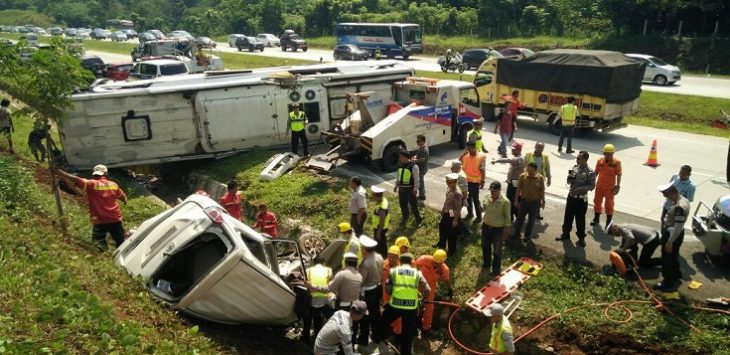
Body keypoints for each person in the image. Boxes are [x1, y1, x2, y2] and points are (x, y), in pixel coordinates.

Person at [56, 164, 127, 250]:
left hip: (100, 220)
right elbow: (122, 196)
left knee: (98, 242)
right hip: (115, 218)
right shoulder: (114, 185)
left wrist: (61, 173)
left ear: (94, 174)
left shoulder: (92, 184)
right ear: (106, 174)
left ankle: (104, 258)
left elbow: (77, 179)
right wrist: (124, 201)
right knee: (121, 241)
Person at [380, 253, 431, 355]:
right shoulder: (417, 273)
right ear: (411, 262)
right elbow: (428, 290)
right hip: (411, 308)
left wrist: (394, 292)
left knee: (383, 321)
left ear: (400, 261)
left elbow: (388, 290)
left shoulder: (394, 272)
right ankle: (406, 352)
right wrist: (422, 300)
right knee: (408, 334)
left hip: (396, 305)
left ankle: (379, 340)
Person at [655, 182, 690, 292]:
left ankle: (667, 281)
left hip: (672, 234)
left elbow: (678, 226)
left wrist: (670, 241)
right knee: (673, 255)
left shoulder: (680, 207)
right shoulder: (683, 200)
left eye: (666, 195)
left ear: (672, 193)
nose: (666, 198)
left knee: (667, 258)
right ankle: (676, 274)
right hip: (675, 233)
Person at [556, 151, 596, 247]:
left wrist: (580, 189)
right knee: (568, 216)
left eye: (579, 158)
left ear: (585, 159)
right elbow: (570, 180)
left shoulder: (590, 172)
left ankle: (581, 238)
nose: (577, 159)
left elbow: (592, 186)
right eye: (577, 158)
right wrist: (569, 180)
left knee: (580, 219)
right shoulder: (575, 167)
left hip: (581, 200)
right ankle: (565, 234)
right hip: (571, 197)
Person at [353, 235, 384, 348]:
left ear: (365, 248)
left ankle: (363, 339)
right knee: (375, 314)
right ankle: (377, 336)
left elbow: (361, 280)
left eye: (362, 247)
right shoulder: (379, 257)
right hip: (377, 288)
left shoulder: (365, 263)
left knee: (365, 316)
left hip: (368, 292)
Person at [414, 249, 452, 336]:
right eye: (434, 262)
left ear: (442, 262)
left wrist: (450, 289)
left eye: (438, 263)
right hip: (418, 283)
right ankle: (413, 324)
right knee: (413, 304)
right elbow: (415, 265)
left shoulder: (444, 270)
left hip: (431, 287)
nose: (435, 264)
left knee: (429, 307)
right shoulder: (425, 259)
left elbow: (446, 280)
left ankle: (426, 328)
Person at [482, 181, 511, 275]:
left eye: (494, 191)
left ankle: (496, 269)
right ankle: (486, 264)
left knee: (497, 250)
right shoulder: (487, 197)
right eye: (491, 190)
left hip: (497, 230)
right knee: (485, 246)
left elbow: (507, 218)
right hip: (486, 227)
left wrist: (506, 232)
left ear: (499, 190)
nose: (492, 192)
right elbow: (484, 207)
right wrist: (481, 209)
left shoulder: (505, 202)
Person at [304, 257, 334, 344]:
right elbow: (330, 282)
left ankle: (309, 336)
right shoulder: (328, 270)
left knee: (312, 316)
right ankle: (320, 335)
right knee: (325, 316)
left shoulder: (308, 270)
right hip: (325, 297)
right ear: (324, 263)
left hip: (313, 297)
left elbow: (307, 283)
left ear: (314, 263)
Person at [491, 142, 525, 221]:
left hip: (516, 185)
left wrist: (496, 160)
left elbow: (508, 160)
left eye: (514, 149)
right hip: (511, 183)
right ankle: (510, 217)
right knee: (510, 201)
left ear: (519, 150)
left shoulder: (519, 159)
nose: (512, 151)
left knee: (515, 201)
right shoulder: (516, 157)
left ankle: (518, 219)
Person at [591, 144, 622, 229]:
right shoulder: (599, 161)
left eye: (610, 154)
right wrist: (592, 182)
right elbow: (596, 172)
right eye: (607, 154)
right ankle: (596, 218)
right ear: (604, 153)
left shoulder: (617, 163)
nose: (608, 156)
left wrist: (618, 186)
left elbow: (619, 174)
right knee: (597, 202)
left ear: (613, 153)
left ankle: (609, 221)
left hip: (610, 188)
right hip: (599, 186)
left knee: (609, 205)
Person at [513, 162, 545, 241]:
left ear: (536, 170)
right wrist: (516, 200)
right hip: (524, 201)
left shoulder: (540, 178)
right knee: (520, 218)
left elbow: (542, 191)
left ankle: (527, 236)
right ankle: (516, 234)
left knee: (531, 220)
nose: (529, 172)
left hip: (535, 203)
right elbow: (518, 189)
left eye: (531, 171)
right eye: (528, 170)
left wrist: (543, 201)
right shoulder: (522, 176)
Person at [394, 149, 422, 227]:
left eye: (401, 157)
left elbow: (417, 179)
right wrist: (396, 186)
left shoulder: (414, 166)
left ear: (406, 157)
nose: (399, 158)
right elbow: (398, 177)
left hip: (410, 190)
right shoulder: (400, 165)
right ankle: (405, 218)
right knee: (403, 205)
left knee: (413, 205)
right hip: (401, 190)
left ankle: (418, 220)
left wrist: (415, 189)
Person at [436, 173, 463, 255]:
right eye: (447, 182)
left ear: (455, 182)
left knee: (452, 234)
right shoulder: (449, 189)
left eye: (450, 182)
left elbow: (458, 208)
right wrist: (443, 210)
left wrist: (455, 220)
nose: (448, 183)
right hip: (446, 214)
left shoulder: (457, 194)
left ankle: (451, 250)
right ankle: (441, 244)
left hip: (453, 216)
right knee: (442, 228)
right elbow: (447, 201)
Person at [460, 141, 487, 221]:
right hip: (466, 181)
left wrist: (483, 181)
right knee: (467, 198)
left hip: (475, 182)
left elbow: (482, 169)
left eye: (469, 149)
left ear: (474, 148)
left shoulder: (481, 156)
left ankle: (479, 217)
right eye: (467, 148)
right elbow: (458, 162)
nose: (468, 150)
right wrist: (463, 154)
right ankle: (470, 214)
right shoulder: (466, 155)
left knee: (475, 199)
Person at [524, 142, 551, 220]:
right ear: (535, 147)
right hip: (528, 179)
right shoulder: (528, 155)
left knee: (538, 197)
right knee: (527, 195)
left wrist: (549, 178)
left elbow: (547, 168)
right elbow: (524, 165)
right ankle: (525, 211)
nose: (540, 149)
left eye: (541, 148)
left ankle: (536, 213)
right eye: (538, 147)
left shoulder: (545, 157)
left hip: (539, 180)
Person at [381, 245, 402, 335]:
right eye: (389, 256)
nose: (390, 259)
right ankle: (390, 329)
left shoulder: (400, 269)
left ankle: (397, 333)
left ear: (397, 258)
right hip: (385, 295)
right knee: (387, 315)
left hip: (395, 297)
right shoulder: (384, 264)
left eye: (393, 257)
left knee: (397, 318)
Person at [371, 186, 390, 256]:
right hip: (382, 228)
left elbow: (382, 220)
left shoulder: (381, 208)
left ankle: (382, 256)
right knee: (382, 242)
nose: (372, 196)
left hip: (380, 228)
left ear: (377, 196)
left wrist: (379, 232)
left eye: (373, 195)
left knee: (380, 244)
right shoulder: (384, 200)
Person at [412, 134, 429, 200]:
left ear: (422, 141)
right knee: (421, 182)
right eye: (417, 141)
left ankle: (422, 196)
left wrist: (414, 160)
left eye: (418, 141)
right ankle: (423, 193)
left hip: (422, 169)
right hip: (424, 168)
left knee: (420, 183)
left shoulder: (423, 149)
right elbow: (419, 155)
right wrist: (415, 156)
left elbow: (422, 159)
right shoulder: (423, 147)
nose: (417, 142)